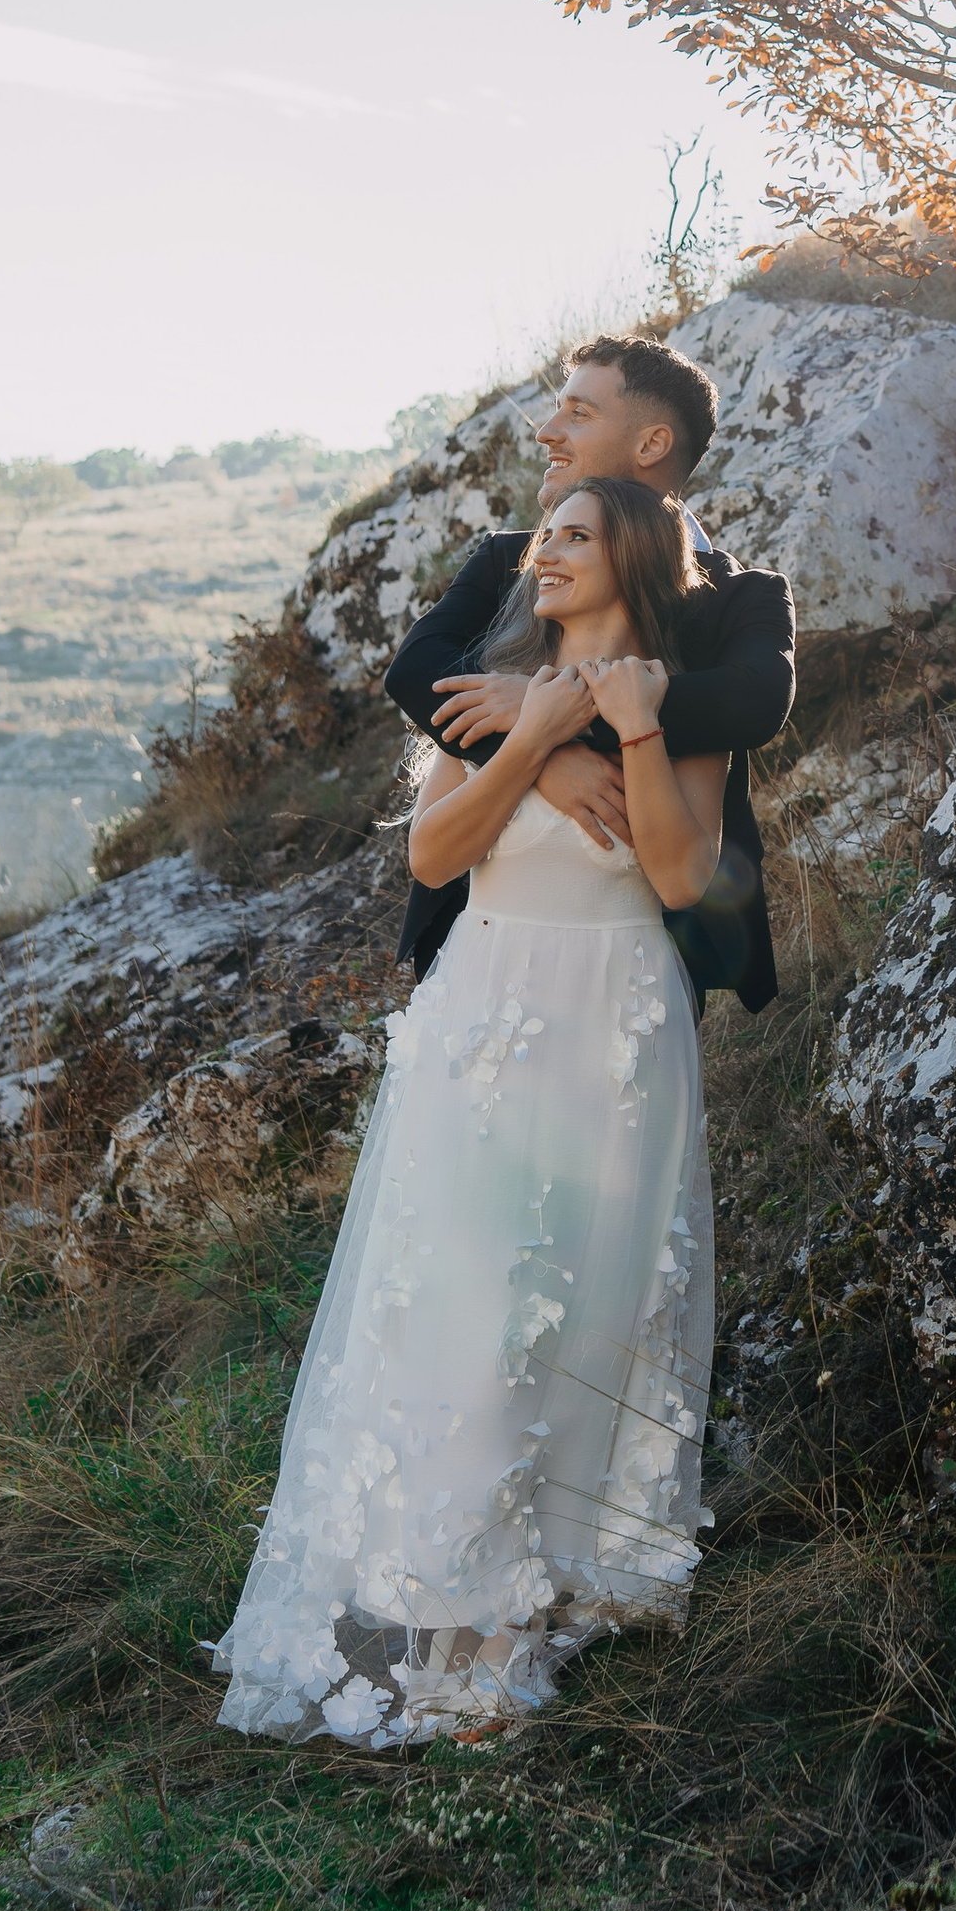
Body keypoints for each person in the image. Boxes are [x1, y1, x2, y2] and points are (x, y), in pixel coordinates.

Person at [211, 475, 729, 1747]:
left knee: (596, 1303)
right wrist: (534, 742)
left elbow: (679, 874)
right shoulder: (492, 688)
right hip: (486, 1011)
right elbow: (435, 858)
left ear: (637, 559)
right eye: (542, 533)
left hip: (616, 1017)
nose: (543, 550)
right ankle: (466, 1636)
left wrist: (633, 729)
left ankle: (557, 1587)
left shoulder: (678, 700)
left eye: (574, 535)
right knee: (471, 1299)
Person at [387, 335, 794, 1014]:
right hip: (485, 948)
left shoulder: (741, 595)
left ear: (650, 444)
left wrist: (559, 710)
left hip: (645, 968)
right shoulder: (509, 563)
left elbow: (750, 705)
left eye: (577, 413)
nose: (547, 433)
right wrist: (540, 753)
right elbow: (417, 674)